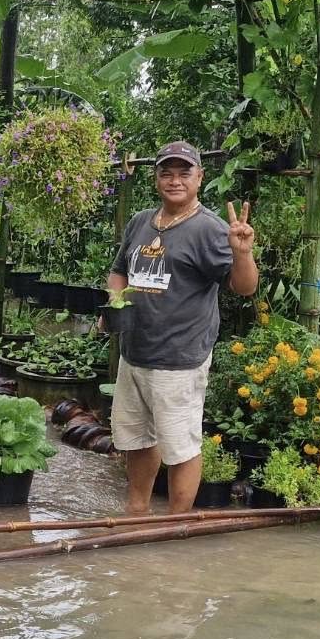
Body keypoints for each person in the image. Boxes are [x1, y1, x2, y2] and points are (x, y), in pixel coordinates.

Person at [107, 140, 260, 513]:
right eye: (166, 172)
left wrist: (242, 253)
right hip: (135, 352)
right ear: (156, 178)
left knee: (180, 446)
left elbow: (244, 288)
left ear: (199, 177)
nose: (174, 180)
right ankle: (138, 514)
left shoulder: (209, 228)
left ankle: (175, 525)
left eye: (184, 173)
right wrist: (114, 302)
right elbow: (119, 272)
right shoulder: (141, 222)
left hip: (179, 358)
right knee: (139, 439)